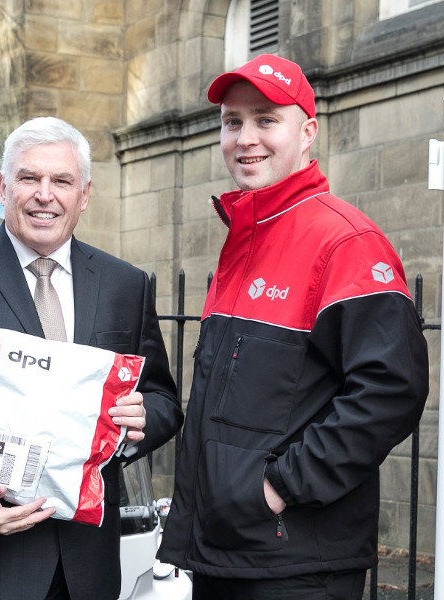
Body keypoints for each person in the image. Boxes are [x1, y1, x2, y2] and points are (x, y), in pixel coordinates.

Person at [157, 54, 429, 599]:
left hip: (295, 559)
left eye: (265, 119)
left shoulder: (346, 241)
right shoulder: (246, 237)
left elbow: (391, 390)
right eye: (232, 122)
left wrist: (280, 487)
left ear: (306, 132)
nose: (245, 137)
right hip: (226, 548)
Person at [0, 116, 183, 600]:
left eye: (61, 181)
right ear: (4, 187)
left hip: (89, 569)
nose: (45, 194)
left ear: (83, 195)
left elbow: (163, 398)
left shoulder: (125, 285)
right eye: (29, 178)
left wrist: (143, 418)